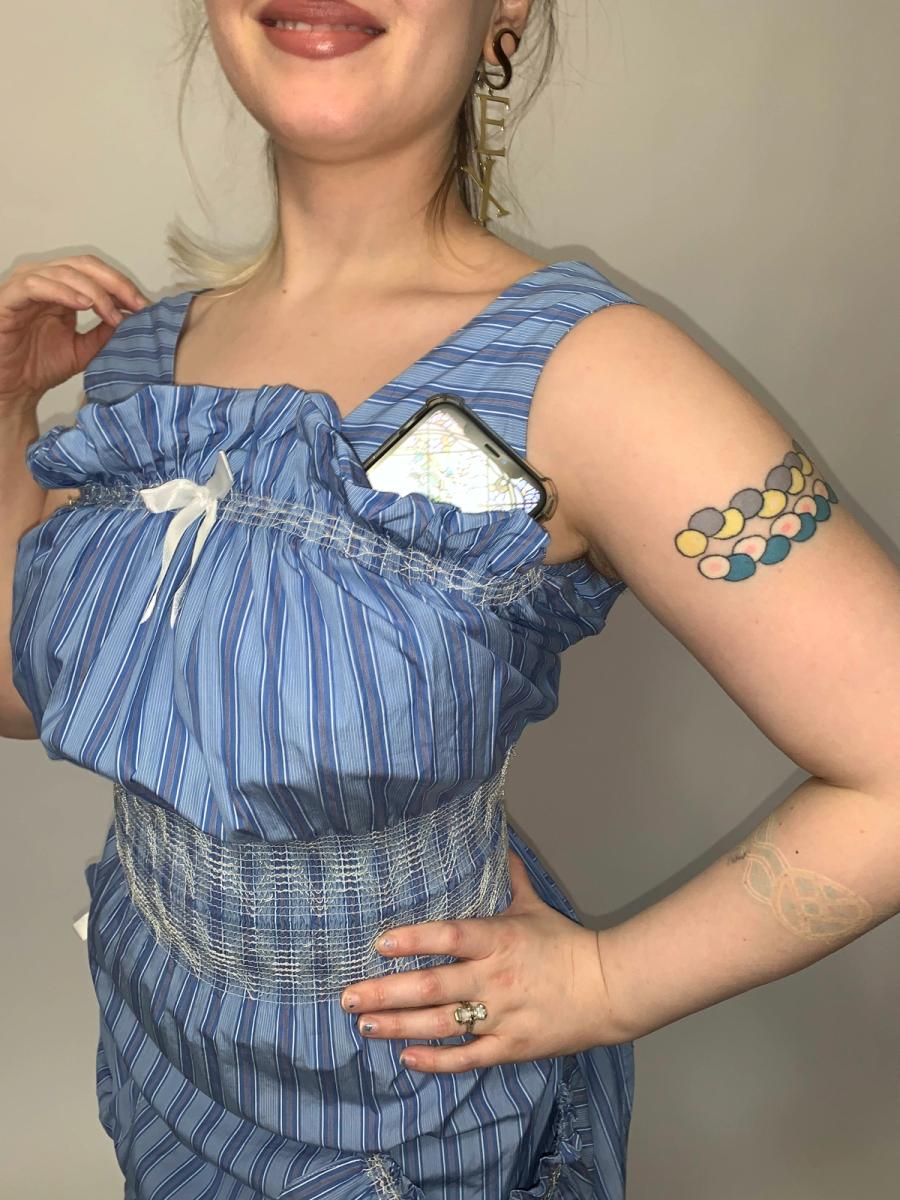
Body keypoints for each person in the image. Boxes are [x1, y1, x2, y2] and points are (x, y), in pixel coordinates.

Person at [1, 3, 898, 1198]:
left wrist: (608, 985)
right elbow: (29, 696)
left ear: (503, 11)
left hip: (408, 1133)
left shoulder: (591, 376)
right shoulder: (137, 362)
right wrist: (4, 417)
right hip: (161, 1067)